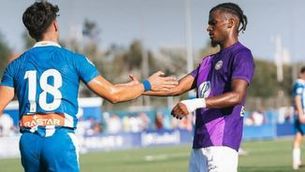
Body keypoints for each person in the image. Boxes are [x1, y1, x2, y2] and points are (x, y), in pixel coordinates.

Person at [0, 2, 177, 172]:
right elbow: (113, 95)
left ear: (31, 32)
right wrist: (147, 84)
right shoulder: (74, 60)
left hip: (28, 142)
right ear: (55, 25)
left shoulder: (15, 65)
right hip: (59, 139)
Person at [143, 2, 255, 172]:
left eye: (213, 23)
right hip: (199, 147)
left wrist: (193, 103)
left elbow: (237, 95)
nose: (208, 28)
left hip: (222, 146)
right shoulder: (207, 61)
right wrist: (140, 87)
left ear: (230, 23)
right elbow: (176, 88)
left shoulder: (241, 55)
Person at [292, 66, 305, 170]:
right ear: (302, 73)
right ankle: (296, 162)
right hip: (303, 114)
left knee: (299, 137)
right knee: (299, 137)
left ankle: (297, 162)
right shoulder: (300, 84)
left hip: (300, 114)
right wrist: (301, 113)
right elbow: (297, 98)